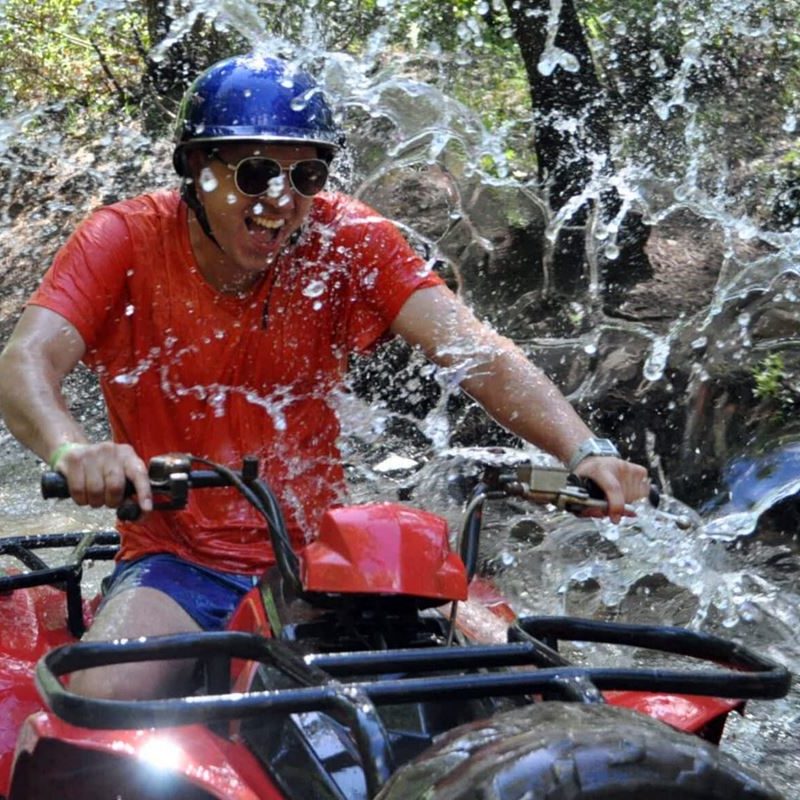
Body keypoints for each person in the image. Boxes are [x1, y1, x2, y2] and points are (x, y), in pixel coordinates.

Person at [0, 53, 649, 699]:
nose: (281, 202)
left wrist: (583, 448)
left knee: (543, 688)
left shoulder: (348, 237)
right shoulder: (122, 238)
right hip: (179, 564)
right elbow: (24, 362)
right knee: (93, 700)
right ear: (198, 169)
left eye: (305, 175)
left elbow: (474, 350)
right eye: (256, 174)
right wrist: (74, 448)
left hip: (326, 562)